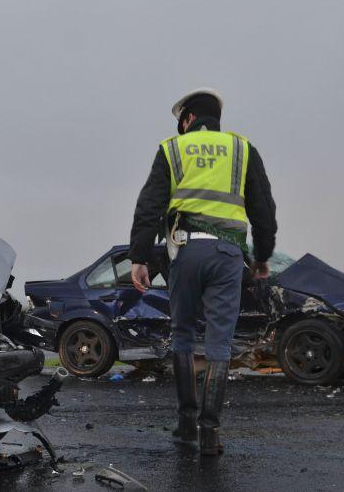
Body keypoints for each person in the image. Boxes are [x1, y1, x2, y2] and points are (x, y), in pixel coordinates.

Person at [128, 88, 277, 455]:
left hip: (185, 249)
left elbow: (149, 205)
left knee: (182, 335)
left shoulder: (171, 149)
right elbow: (264, 209)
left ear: (189, 118)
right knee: (219, 342)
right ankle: (210, 433)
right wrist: (263, 256)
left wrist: (139, 258)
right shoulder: (243, 150)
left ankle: (185, 426)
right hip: (227, 253)